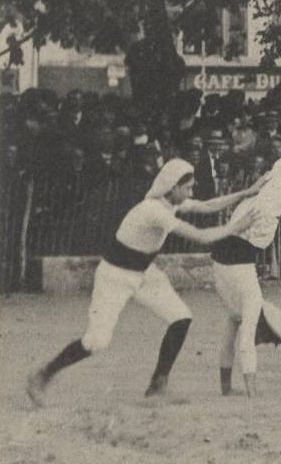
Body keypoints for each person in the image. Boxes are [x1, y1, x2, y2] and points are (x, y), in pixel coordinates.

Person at [26, 160, 261, 405]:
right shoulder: (153, 210)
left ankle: (158, 385)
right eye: (188, 188)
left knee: (181, 318)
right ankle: (42, 376)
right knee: (96, 342)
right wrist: (236, 227)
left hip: (144, 272)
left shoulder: (170, 203)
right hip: (115, 277)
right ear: (172, 187)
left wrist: (246, 193)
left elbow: (208, 205)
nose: (191, 193)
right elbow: (201, 236)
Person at [212, 148, 281, 397]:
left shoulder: (241, 305)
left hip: (237, 245)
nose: (264, 340)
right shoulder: (247, 302)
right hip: (232, 253)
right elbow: (243, 343)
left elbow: (233, 345)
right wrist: (252, 393)